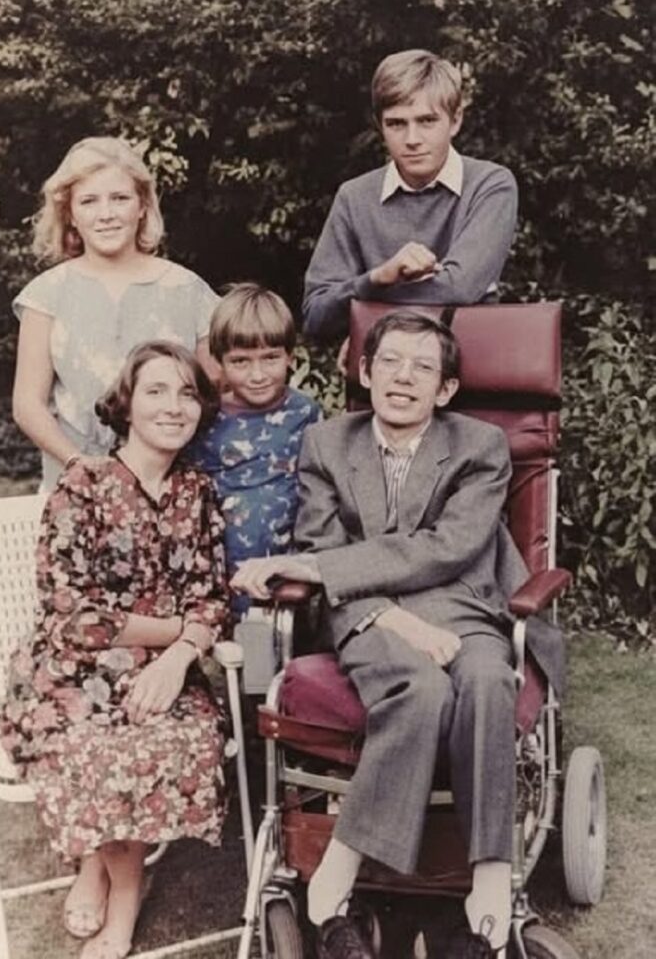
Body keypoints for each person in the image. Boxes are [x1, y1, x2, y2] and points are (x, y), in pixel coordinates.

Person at [231, 312, 533, 959]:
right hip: (367, 613)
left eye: (424, 366)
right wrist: (391, 618)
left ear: (445, 390)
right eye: (390, 361)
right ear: (364, 372)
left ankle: (488, 881)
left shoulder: (480, 447)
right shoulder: (327, 445)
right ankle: (339, 872)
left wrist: (320, 569)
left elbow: (449, 547)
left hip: (461, 605)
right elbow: (321, 540)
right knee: (420, 690)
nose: (404, 376)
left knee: (485, 678)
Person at [0, 341, 229, 959]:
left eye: (187, 393)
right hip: (71, 671)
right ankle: (122, 891)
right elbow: (74, 615)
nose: (174, 407)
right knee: (101, 749)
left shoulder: (197, 493)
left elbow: (213, 601)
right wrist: (175, 629)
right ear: (126, 404)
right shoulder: (84, 484)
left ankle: (101, 871)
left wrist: (180, 660)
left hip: (165, 668)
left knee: (171, 737)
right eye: (156, 390)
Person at [12, 136, 220, 491]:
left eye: (120, 198)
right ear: (70, 214)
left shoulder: (190, 291)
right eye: (89, 201)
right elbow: (27, 404)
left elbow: (214, 391)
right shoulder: (46, 295)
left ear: (142, 206)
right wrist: (80, 464)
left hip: (172, 487)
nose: (106, 214)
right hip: (77, 487)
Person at [302, 49, 518, 347]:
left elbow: (460, 289)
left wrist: (366, 313)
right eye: (396, 123)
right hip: (383, 380)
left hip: (470, 365)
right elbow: (316, 316)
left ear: (455, 121)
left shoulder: (489, 184)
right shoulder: (355, 197)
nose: (412, 139)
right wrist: (379, 276)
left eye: (427, 121)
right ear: (380, 126)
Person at [185, 283, 320, 613]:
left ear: (290, 355)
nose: (257, 375)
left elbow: (320, 487)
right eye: (241, 361)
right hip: (218, 566)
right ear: (219, 361)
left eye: (271, 358)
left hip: (286, 564)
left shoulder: (305, 413)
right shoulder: (205, 418)